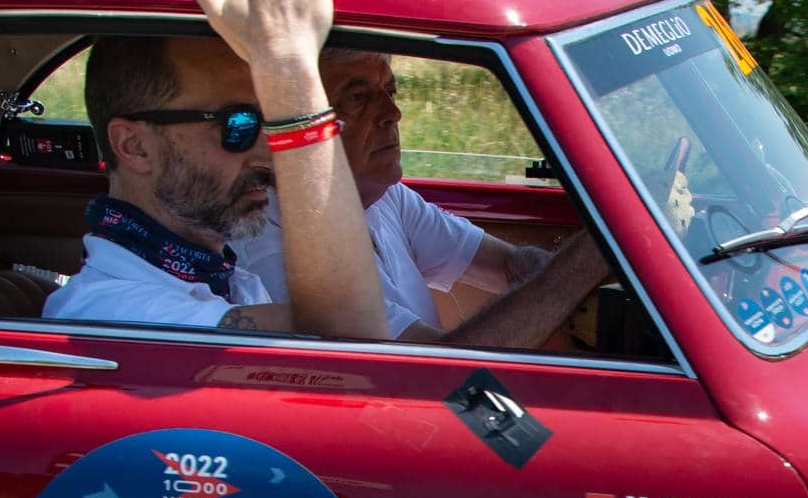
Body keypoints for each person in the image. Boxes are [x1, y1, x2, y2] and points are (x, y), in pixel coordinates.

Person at [45, 0, 387, 343]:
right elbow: (349, 336)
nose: (268, 151)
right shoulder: (113, 311)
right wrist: (286, 66)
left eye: (270, 120)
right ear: (135, 147)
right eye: (239, 124)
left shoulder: (224, 279)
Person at [231, 47, 610, 348]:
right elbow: (446, 378)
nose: (392, 113)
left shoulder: (383, 197)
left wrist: (567, 270)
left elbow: (510, 265)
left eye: (390, 92)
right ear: (299, 122)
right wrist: (598, 249)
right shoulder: (276, 253)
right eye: (360, 97)